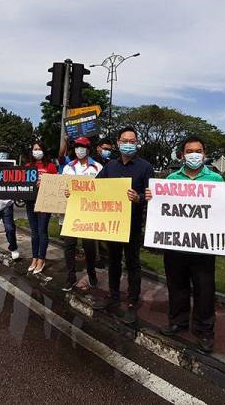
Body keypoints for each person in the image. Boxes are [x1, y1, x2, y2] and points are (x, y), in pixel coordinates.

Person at [145, 136, 225, 353]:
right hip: (176, 245)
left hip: (203, 247)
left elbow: (224, 208)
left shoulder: (217, 180)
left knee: (205, 289)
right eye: (189, 151)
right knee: (176, 285)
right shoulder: (171, 178)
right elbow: (161, 206)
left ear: (205, 154)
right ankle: (178, 322)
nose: (194, 155)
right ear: (181, 155)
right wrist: (152, 197)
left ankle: (205, 330)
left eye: (198, 150)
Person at [92, 126, 154, 325]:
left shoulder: (145, 167)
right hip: (113, 226)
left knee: (133, 264)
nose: (128, 144)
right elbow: (94, 188)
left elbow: (153, 196)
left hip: (133, 226)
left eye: (132, 141)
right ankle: (113, 295)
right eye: (125, 140)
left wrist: (139, 198)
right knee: (114, 261)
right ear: (118, 143)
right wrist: (74, 193)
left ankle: (132, 302)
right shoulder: (110, 167)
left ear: (136, 143)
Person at [61, 136, 103, 291]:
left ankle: (91, 273)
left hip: (89, 212)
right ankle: (70, 276)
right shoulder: (68, 168)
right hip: (71, 212)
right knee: (69, 246)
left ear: (88, 149)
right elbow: (61, 187)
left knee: (89, 246)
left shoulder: (97, 168)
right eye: (77, 146)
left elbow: (103, 190)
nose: (79, 149)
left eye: (82, 146)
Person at [25, 141, 58, 274]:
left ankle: (41, 258)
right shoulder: (28, 166)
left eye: (39, 149)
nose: (37, 151)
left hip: (45, 202)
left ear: (43, 151)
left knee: (42, 230)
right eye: (35, 149)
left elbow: (56, 184)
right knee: (34, 232)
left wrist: (43, 183)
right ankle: (34, 257)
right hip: (30, 202)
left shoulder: (50, 166)